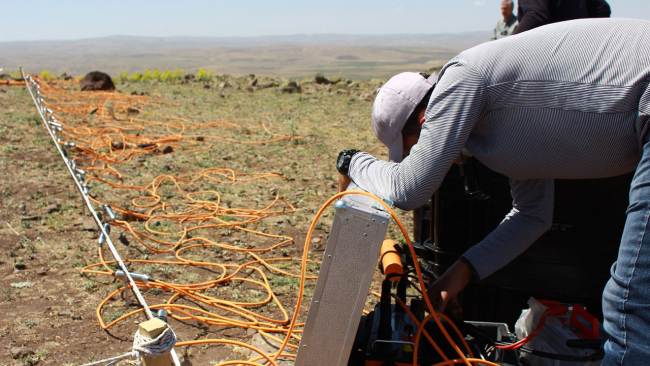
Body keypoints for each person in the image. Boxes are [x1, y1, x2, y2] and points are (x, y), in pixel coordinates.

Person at [335, 18, 650, 366]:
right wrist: (457, 275)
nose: (430, 160)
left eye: (413, 152)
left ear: (426, 121)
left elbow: (410, 189)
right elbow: (533, 215)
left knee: (628, 306)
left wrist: (352, 161)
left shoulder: (461, 78)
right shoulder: (505, 125)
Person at [512, 0, 610, 34]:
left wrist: (502, 49)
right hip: (578, 56)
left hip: (547, 59)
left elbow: (536, 15)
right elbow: (602, 8)